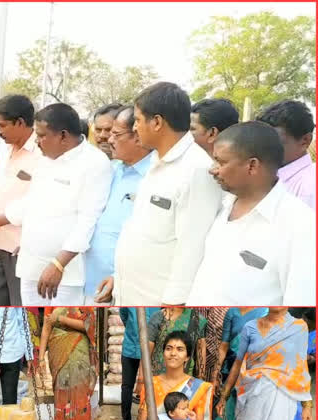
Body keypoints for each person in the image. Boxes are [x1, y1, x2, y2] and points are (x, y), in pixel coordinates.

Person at [103, 82, 222, 306]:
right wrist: (118, 278)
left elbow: (192, 246)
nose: (135, 128)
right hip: (132, 295)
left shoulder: (196, 169)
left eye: (137, 120)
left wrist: (174, 302)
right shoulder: (158, 162)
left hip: (161, 303)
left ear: (157, 122)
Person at [0, 103, 111, 306]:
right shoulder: (45, 159)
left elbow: (88, 219)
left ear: (63, 136)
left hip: (65, 273)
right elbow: (32, 201)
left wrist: (59, 264)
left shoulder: (94, 163)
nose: (37, 141)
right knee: (30, 325)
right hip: (31, 263)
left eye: (42, 135)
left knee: (61, 329)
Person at [187, 122, 316, 306]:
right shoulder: (222, 205)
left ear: (252, 166)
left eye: (221, 162)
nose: (212, 169)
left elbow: (300, 302)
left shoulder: (300, 224)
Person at [0, 95, 43, 306]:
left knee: (20, 306)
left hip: (20, 244)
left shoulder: (42, 153)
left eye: (2, 125)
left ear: (21, 123)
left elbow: (36, 201)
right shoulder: (5, 150)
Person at [86, 106, 152, 304]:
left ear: (138, 136)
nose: (109, 140)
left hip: (124, 285)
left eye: (115, 134)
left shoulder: (153, 178)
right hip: (92, 280)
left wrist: (118, 275)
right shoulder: (112, 170)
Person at [208, 307, 267, 420]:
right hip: (229, 369)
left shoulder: (265, 311)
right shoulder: (232, 312)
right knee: (222, 414)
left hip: (252, 375)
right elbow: (224, 345)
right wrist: (215, 374)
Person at [37, 307, 98, 420]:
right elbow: (46, 328)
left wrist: (61, 319)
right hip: (58, 353)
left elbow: (88, 326)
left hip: (79, 352)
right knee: (61, 395)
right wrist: (40, 358)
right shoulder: (52, 302)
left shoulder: (84, 304)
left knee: (81, 394)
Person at [257, 99, 315, 208]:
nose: (265, 148)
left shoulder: (309, 187)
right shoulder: (268, 175)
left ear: (305, 141)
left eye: (275, 141)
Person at [114, 308, 159, 420]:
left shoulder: (155, 303)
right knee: (127, 386)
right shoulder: (130, 300)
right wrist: (132, 329)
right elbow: (123, 315)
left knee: (149, 386)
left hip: (150, 350)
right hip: (130, 348)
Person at [147, 308, 206, 375]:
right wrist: (141, 376)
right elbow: (147, 349)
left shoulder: (197, 319)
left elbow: (201, 348)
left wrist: (201, 375)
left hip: (184, 376)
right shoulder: (159, 317)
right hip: (158, 374)